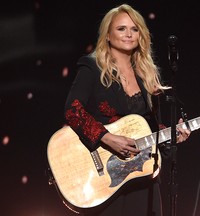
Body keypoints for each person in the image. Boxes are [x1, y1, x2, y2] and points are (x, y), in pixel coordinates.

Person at [64, 4, 190, 216]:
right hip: (105, 176)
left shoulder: (146, 74)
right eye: (121, 29)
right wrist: (106, 137)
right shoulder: (91, 66)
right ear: (108, 35)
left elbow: (149, 128)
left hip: (141, 175)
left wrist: (172, 135)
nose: (129, 34)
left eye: (134, 29)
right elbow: (73, 111)